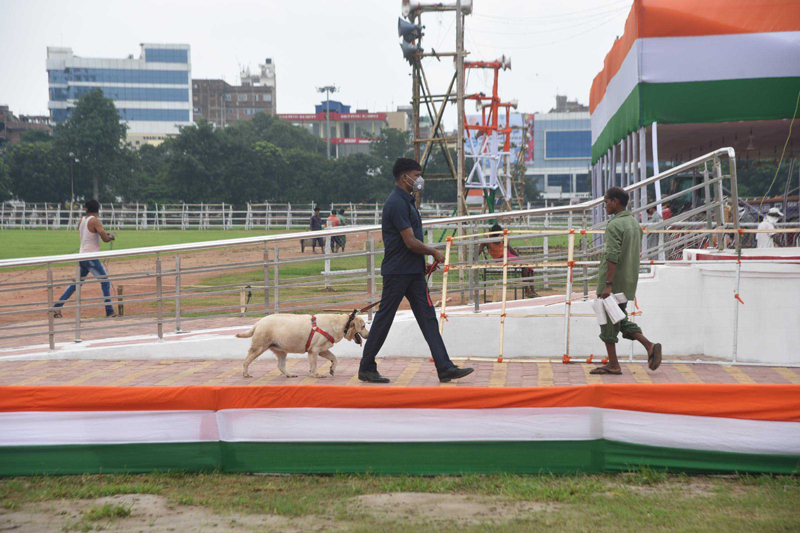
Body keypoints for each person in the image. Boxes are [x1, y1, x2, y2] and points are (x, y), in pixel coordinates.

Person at [358, 158, 474, 383]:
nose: (419, 179)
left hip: (412, 272)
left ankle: (445, 367)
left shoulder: (407, 202)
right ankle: (366, 367)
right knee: (385, 319)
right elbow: (410, 242)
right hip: (398, 272)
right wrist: (433, 251)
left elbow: (409, 244)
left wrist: (422, 264)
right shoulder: (396, 203)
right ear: (404, 177)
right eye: (416, 174)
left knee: (428, 318)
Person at [591, 187, 662, 376]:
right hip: (628, 281)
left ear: (615, 201)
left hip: (613, 282)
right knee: (618, 318)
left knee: (607, 321)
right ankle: (649, 345)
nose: (605, 205)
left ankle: (614, 364)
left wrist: (608, 284)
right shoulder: (633, 223)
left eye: (606, 201)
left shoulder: (615, 225)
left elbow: (612, 256)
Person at [52, 199, 117, 319]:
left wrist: (103, 234)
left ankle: (57, 305)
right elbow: (105, 239)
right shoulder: (96, 221)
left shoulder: (82, 220)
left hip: (82, 255)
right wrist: (111, 236)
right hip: (90, 256)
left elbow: (91, 234)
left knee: (76, 283)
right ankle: (109, 311)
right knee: (105, 281)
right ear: (98, 209)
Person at [477, 223, 538, 298]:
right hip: (500, 259)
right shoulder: (487, 240)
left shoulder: (501, 237)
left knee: (529, 266)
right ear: (492, 233)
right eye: (495, 235)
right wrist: (473, 258)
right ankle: (526, 289)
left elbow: (509, 248)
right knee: (524, 266)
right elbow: (479, 251)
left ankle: (532, 290)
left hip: (507, 255)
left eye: (498, 234)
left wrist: (517, 256)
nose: (497, 236)